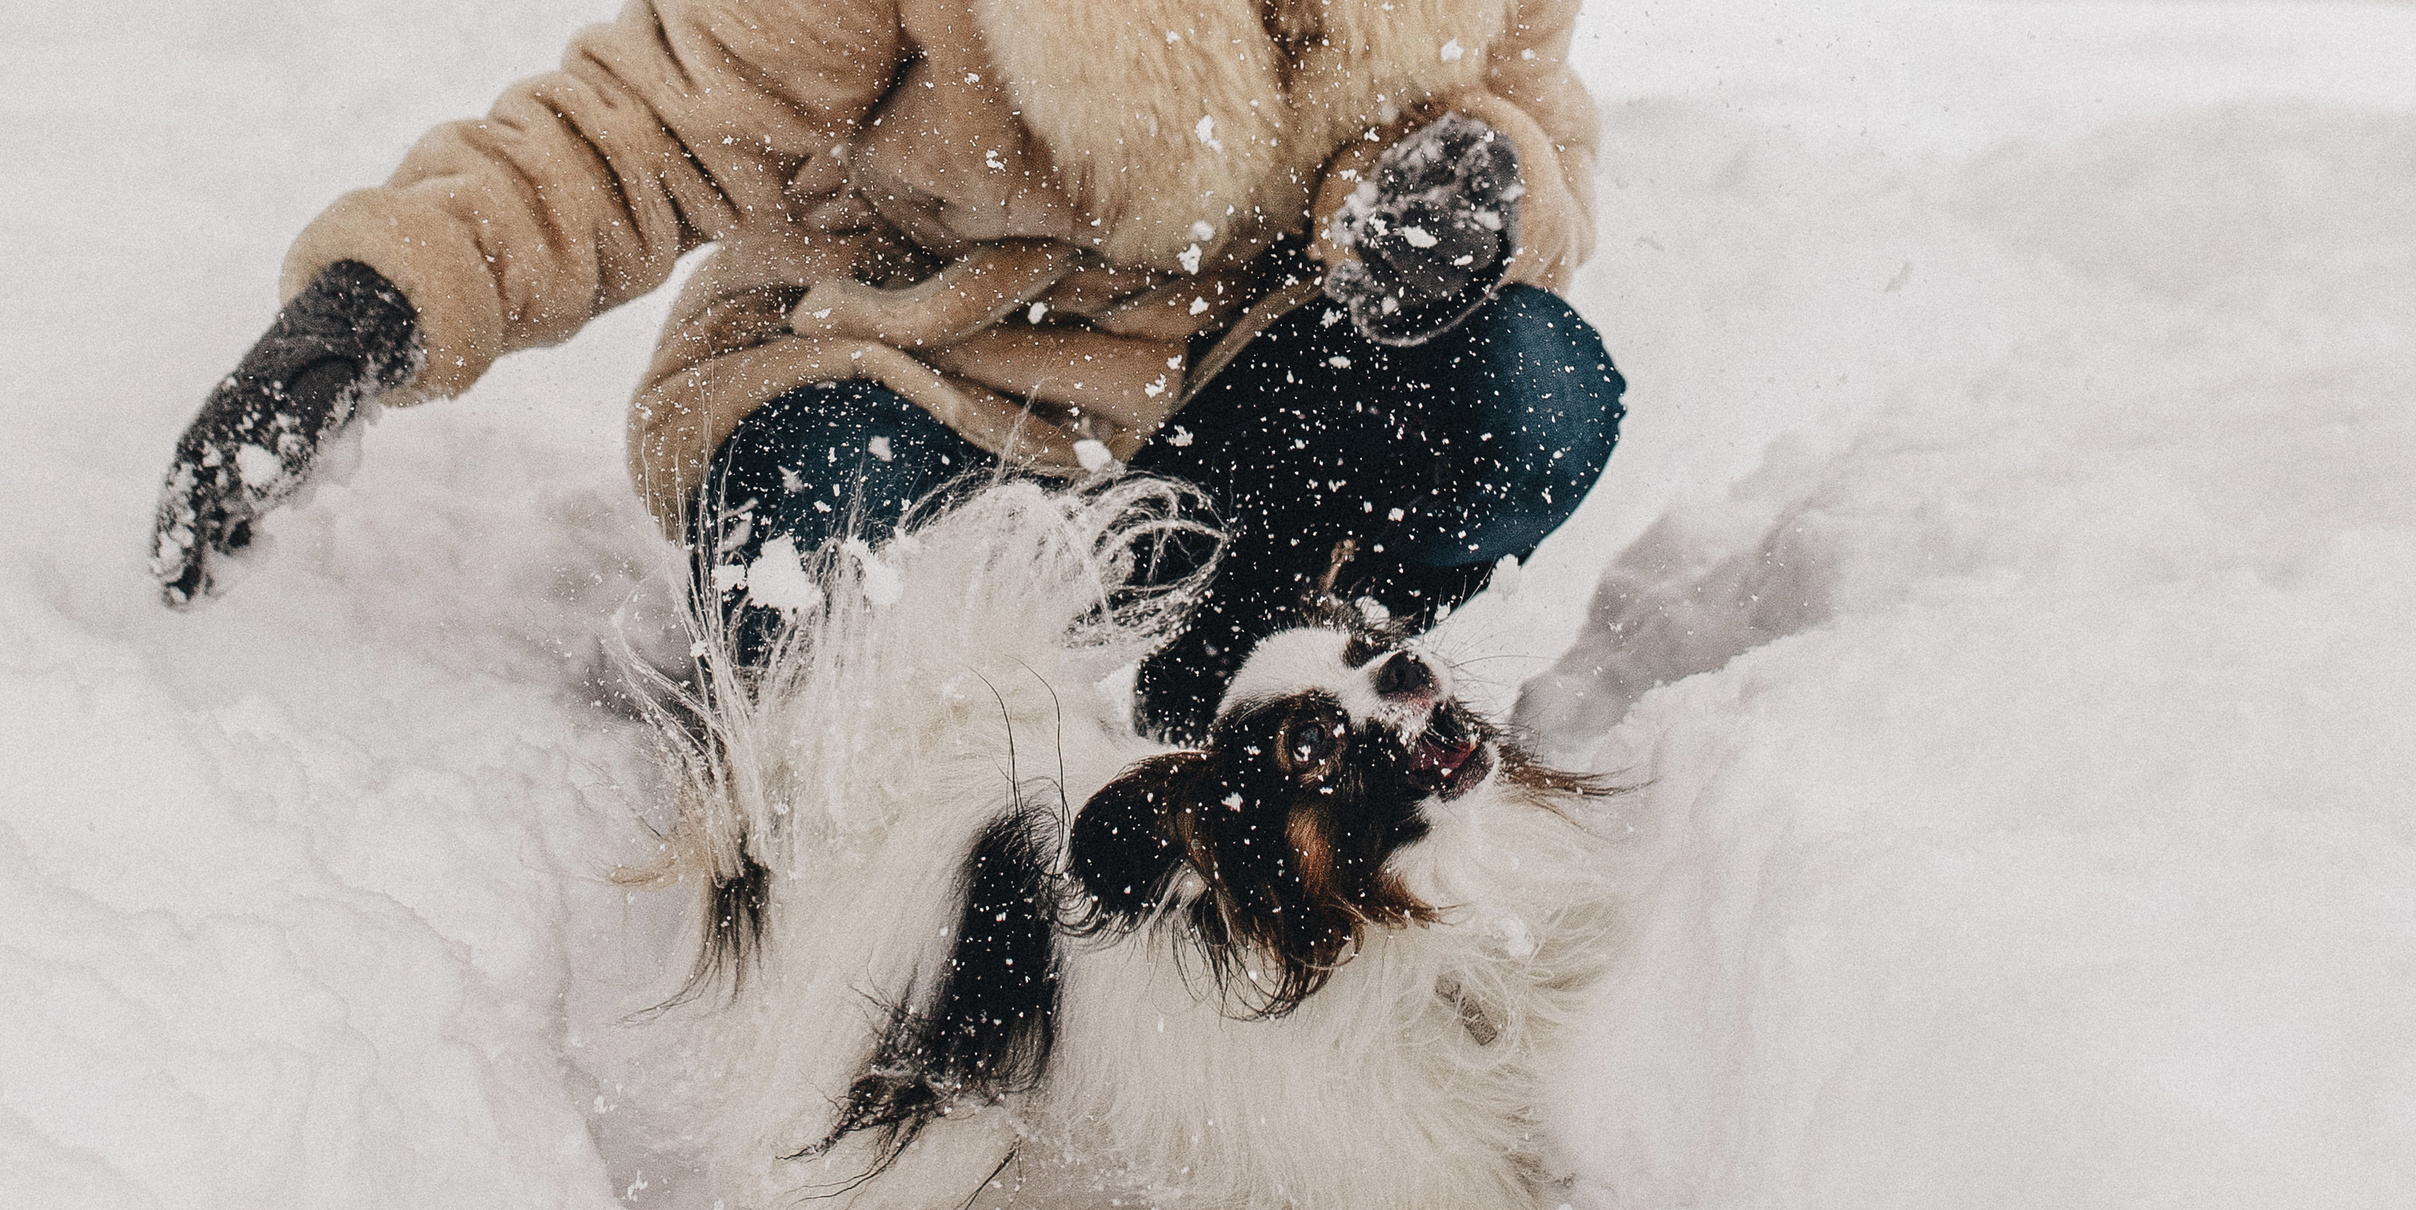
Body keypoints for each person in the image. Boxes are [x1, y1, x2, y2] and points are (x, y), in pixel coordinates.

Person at [153, 0, 1625, 742]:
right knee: (839, 617)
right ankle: (801, 703)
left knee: (1532, 385)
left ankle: (1231, 701)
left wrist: (1469, 195)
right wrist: (376, 304)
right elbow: (639, 125)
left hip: (1211, 414)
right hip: (907, 377)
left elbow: (1527, 126)